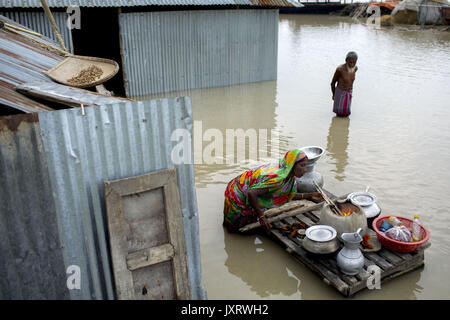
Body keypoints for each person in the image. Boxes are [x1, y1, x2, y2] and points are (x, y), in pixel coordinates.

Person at [223, 149, 324, 233]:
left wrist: (310, 195)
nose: (305, 169)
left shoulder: (288, 178)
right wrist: (261, 216)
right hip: (238, 192)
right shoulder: (277, 180)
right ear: (292, 165)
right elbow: (251, 193)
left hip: (248, 188)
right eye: (302, 165)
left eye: (306, 166)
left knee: (252, 215)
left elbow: (286, 195)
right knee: (238, 224)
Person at [331, 51, 358, 117]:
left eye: (354, 62)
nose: (352, 64)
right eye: (350, 62)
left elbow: (351, 81)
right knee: (339, 114)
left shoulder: (355, 68)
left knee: (347, 113)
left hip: (349, 92)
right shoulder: (340, 69)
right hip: (340, 93)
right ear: (346, 60)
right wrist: (334, 95)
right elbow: (333, 83)